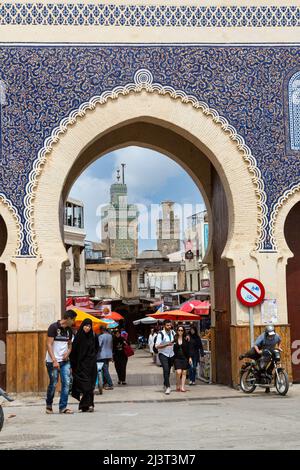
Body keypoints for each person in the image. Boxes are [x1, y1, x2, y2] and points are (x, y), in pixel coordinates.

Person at [45, 309, 77, 414]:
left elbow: (70, 345)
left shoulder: (69, 330)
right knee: (53, 383)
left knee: (66, 383)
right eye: (73, 320)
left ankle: (63, 407)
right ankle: (49, 405)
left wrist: (68, 353)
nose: (74, 322)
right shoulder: (53, 327)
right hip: (52, 361)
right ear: (68, 319)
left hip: (65, 362)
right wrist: (54, 360)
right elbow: (49, 344)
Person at [239, 324, 282, 393]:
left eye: (272, 334)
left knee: (273, 362)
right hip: (260, 350)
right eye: (269, 334)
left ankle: (267, 382)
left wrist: (279, 347)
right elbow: (256, 345)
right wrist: (258, 351)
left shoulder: (276, 336)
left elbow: (280, 340)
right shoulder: (262, 337)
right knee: (252, 353)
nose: (271, 336)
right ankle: (244, 355)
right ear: (266, 333)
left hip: (269, 352)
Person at [70, 318, 99, 412]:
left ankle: (88, 405)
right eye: (86, 326)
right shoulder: (78, 337)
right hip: (80, 366)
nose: (87, 328)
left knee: (90, 386)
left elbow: (96, 348)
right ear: (82, 326)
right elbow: (73, 352)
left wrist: (92, 357)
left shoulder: (94, 336)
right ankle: (87, 404)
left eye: (89, 326)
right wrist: (72, 365)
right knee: (86, 387)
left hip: (91, 365)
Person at [155, 320, 176, 395]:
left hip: (171, 354)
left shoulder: (173, 332)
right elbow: (157, 346)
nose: (169, 327)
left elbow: (178, 339)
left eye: (170, 325)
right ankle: (168, 387)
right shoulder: (160, 334)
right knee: (166, 369)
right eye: (167, 325)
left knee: (168, 370)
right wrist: (166, 344)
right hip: (163, 354)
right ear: (164, 326)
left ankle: (165, 383)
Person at [173, 326, 192, 392]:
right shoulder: (174, 338)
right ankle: (178, 384)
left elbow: (189, 349)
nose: (180, 331)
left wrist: (190, 357)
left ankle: (182, 387)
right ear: (177, 331)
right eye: (179, 330)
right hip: (177, 358)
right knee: (178, 372)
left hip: (185, 358)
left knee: (184, 372)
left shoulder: (186, 339)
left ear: (183, 331)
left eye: (182, 330)